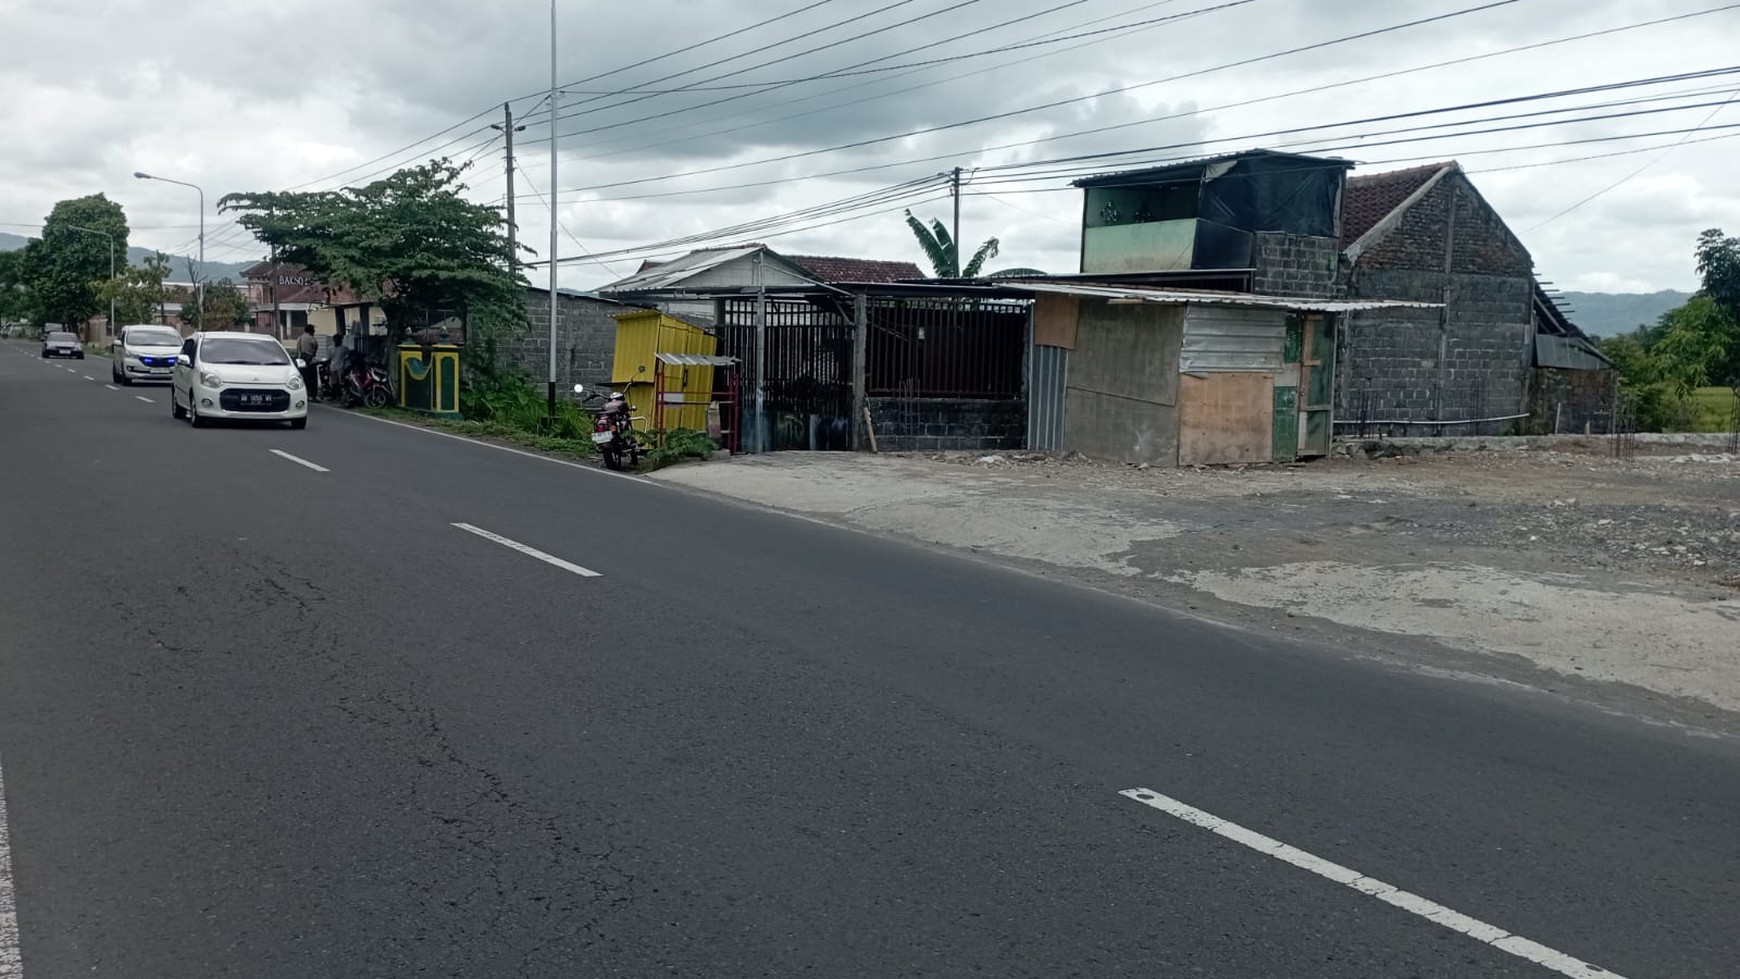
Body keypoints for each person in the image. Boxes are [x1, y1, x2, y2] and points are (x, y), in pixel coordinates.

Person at [295, 324, 320, 397]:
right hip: (309, 358)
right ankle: (312, 394)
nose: (314, 332)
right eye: (313, 330)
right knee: (312, 377)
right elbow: (315, 345)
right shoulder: (311, 338)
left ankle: (304, 392)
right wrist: (313, 354)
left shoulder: (300, 338)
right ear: (310, 330)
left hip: (301, 359)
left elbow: (297, 350)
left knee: (304, 377)